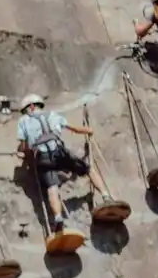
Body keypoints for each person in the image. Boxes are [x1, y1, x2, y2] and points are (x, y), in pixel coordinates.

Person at [15, 95, 115, 234]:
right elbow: (74, 129)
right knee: (88, 170)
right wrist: (88, 130)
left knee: (52, 187)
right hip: (59, 152)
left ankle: (57, 217)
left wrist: (23, 154)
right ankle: (106, 196)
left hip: (42, 158)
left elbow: (24, 146)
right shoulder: (53, 115)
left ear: (31, 106)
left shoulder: (23, 121)